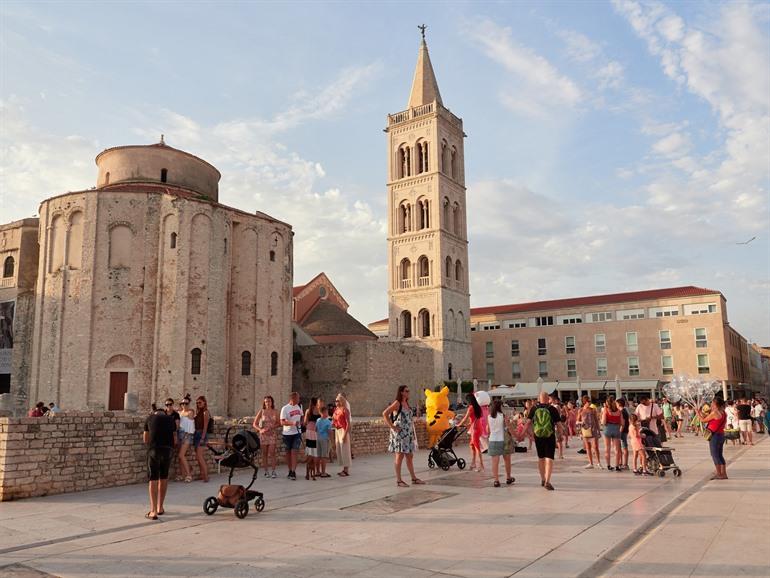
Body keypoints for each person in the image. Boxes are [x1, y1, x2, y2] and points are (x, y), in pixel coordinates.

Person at [383, 385, 423, 487]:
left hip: (408, 434)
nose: (408, 392)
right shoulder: (397, 403)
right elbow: (385, 413)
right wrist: (392, 427)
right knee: (399, 456)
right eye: (406, 391)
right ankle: (399, 480)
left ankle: (414, 478)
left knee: (410, 456)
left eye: (409, 391)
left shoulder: (406, 403)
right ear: (401, 392)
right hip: (400, 435)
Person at [143, 405, 176, 519]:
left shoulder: (150, 418)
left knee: (153, 478)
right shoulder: (171, 419)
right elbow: (175, 438)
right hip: (168, 450)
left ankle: (153, 511)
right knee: (164, 476)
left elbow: (145, 439)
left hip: (154, 449)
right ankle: (160, 507)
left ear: (154, 412)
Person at [527, 391, 561, 490]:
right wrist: (561, 434)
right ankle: (547, 481)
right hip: (549, 436)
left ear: (539, 399)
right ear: (547, 399)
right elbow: (559, 425)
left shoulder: (534, 408)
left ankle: (542, 479)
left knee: (541, 458)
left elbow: (528, 423)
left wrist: (525, 434)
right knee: (549, 459)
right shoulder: (552, 409)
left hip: (538, 436)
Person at [698, 398, 728, 480]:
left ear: (716, 405)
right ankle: (724, 473)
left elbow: (703, 420)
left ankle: (719, 474)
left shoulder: (715, 413)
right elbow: (708, 417)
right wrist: (701, 412)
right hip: (721, 435)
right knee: (720, 455)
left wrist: (697, 412)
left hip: (715, 436)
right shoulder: (723, 412)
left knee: (714, 455)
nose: (711, 404)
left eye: (712, 403)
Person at [487, 398, 515, 487]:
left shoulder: (489, 417)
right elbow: (509, 427)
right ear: (500, 407)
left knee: (495, 462)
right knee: (507, 460)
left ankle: (496, 480)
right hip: (503, 440)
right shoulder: (503, 416)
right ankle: (508, 477)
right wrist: (516, 435)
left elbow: (488, 430)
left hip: (493, 440)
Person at [456, 393, 485, 472]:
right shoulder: (478, 407)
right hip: (478, 427)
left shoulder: (471, 408)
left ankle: (481, 465)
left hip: (475, 429)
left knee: (476, 447)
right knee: (472, 445)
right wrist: (469, 424)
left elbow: (465, 418)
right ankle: (473, 463)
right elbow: (476, 418)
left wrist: (459, 424)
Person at [253, 395, 279, 478]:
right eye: (266, 401)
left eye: (269, 401)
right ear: (264, 403)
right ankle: (266, 471)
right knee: (264, 453)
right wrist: (260, 430)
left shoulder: (275, 411)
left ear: (272, 402)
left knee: (272, 453)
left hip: (272, 434)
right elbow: (254, 423)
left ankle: (274, 471)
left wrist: (272, 427)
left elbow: (279, 423)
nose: (268, 403)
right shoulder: (262, 411)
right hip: (264, 435)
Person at [280, 392, 303, 480]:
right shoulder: (285, 408)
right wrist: (292, 423)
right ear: (292, 398)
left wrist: (300, 423)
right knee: (288, 453)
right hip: (287, 434)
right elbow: (282, 422)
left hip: (297, 433)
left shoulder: (299, 407)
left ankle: (293, 471)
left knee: (294, 452)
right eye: (298, 398)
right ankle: (290, 470)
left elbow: (300, 417)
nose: (299, 400)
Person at [601, 395, 624, 471]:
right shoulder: (619, 411)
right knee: (617, 449)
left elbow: (603, 422)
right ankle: (617, 466)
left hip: (608, 428)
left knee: (607, 448)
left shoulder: (606, 410)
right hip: (616, 429)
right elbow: (622, 423)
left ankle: (608, 465)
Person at [578, 396, 602, 469]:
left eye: (590, 401)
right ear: (584, 402)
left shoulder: (593, 410)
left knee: (595, 447)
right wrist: (580, 424)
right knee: (588, 447)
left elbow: (596, 421)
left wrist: (599, 430)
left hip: (593, 430)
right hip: (585, 430)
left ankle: (598, 463)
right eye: (588, 401)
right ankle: (591, 463)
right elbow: (577, 421)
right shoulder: (581, 410)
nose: (589, 403)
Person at [176, 396, 195, 482]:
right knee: (180, 456)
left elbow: (191, 426)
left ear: (189, 404)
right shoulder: (179, 412)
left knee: (181, 455)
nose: (184, 405)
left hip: (187, 435)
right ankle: (182, 474)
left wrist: (186, 435)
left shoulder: (190, 412)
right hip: (179, 434)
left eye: (186, 403)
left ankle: (189, 475)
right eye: (182, 403)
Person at [333, 393, 351, 477]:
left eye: (337, 400)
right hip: (337, 430)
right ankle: (343, 469)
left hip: (343, 431)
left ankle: (346, 470)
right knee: (339, 450)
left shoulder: (345, 410)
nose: (336, 402)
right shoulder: (336, 409)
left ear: (341, 401)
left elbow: (348, 424)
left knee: (344, 450)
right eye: (335, 400)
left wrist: (344, 435)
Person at [193, 396, 210, 482]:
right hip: (196, 434)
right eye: (197, 403)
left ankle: (206, 476)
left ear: (204, 403)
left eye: (200, 402)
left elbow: (205, 426)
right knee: (198, 456)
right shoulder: (198, 412)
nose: (198, 404)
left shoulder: (205, 412)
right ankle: (201, 474)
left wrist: (203, 438)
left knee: (200, 456)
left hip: (201, 435)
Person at [303, 396, 320, 480]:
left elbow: (305, 422)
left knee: (310, 452)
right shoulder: (318, 411)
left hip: (309, 432)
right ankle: (312, 473)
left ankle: (307, 472)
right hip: (315, 432)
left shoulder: (307, 411)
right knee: (314, 453)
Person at [316, 403, 332, 478]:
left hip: (318, 438)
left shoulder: (318, 420)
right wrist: (331, 440)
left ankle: (317, 471)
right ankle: (323, 472)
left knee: (318, 456)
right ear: (325, 412)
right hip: (325, 439)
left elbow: (315, 429)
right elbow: (330, 432)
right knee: (324, 456)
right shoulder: (328, 422)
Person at [617, 398, 630, 470]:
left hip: (622, 431)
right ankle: (622, 463)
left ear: (619, 404)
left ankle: (624, 463)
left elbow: (623, 423)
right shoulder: (624, 411)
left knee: (623, 447)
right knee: (622, 447)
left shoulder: (622, 411)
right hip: (624, 431)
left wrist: (620, 432)